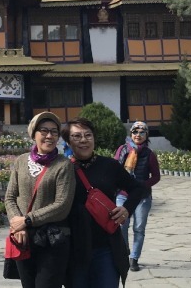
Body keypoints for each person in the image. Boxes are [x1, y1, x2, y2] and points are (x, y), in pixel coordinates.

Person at [63, 117, 148, 288]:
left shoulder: (109, 166)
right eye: (77, 136)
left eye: (88, 135)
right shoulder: (62, 169)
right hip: (73, 249)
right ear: (68, 142)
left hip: (105, 247)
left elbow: (137, 188)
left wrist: (126, 209)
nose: (83, 140)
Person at [4, 112, 75, 288]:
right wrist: (17, 225)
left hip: (52, 240)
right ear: (33, 134)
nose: (49, 136)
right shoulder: (21, 161)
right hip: (24, 238)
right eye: (44, 131)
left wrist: (27, 220)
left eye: (54, 132)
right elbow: (10, 197)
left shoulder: (63, 165)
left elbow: (62, 205)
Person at [114, 121, 160, 272]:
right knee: (122, 225)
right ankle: (124, 251)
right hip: (123, 195)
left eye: (142, 132)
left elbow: (156, 177)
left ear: (147, 135)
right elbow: (114, 168)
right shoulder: (122, 150)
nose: (138, 135)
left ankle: (134, 258)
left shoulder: (149, 154)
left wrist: (142, 185)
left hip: (142, 197)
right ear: (131, 134)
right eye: (135, 132)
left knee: (139, 228)